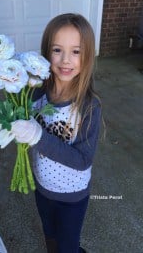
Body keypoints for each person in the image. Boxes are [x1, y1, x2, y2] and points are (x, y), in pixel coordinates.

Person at [12, 13, 102, 253]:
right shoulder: (35, 95)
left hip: (72, 196)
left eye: (76, 51)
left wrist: (38, 136)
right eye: (57, 50)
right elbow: (20, 124)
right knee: (50, 237)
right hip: (42, 188)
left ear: (88, 55)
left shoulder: (88, 106)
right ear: (46, 53)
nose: (65, 60)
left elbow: (83, 160)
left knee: (68, 247)